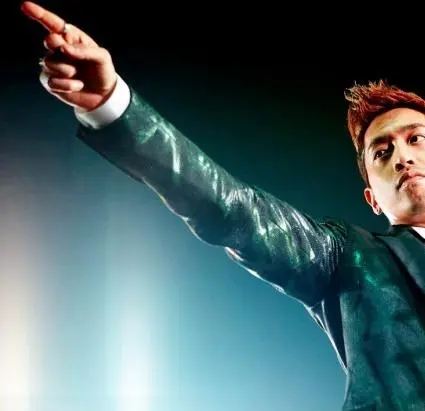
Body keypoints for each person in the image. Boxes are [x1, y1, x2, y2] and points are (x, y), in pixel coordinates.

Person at [21, 2, 425, 410]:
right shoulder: (350, 257)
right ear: (372, 199)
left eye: (416, 139)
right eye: (382, 152)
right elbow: (232, 207)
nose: (402, 158)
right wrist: (111, 105)